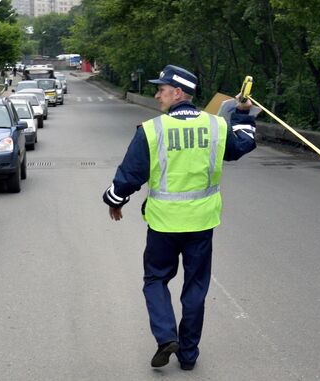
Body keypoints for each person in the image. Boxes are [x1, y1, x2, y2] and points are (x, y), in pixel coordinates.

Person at [102, 65, 257, 371]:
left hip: (163, 225)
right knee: (195, 287)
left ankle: (165, 337)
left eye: (161, 89)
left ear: (178, 93)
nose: (157, 94)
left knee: (155, 280)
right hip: (201, 224)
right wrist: (241, 113)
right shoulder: (216, 126)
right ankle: (187, 355)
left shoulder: (152, 129)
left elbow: (131, 174)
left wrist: (115, 200)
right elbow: (242, 145)